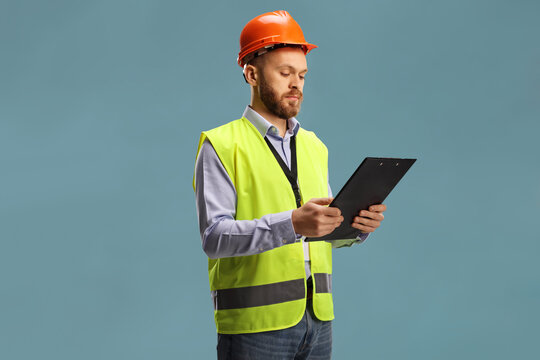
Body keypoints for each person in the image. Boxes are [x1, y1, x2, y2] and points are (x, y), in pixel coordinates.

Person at [193, 10, 387, 360]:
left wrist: (356, 228)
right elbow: (214, 238)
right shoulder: (221, 145)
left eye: (302, 75)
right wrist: (293, 223)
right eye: (284, 73)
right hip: (255, 325)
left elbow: (319, 233)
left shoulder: (314, 145)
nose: (296, 83)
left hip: (318, 321)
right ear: (251, 74)